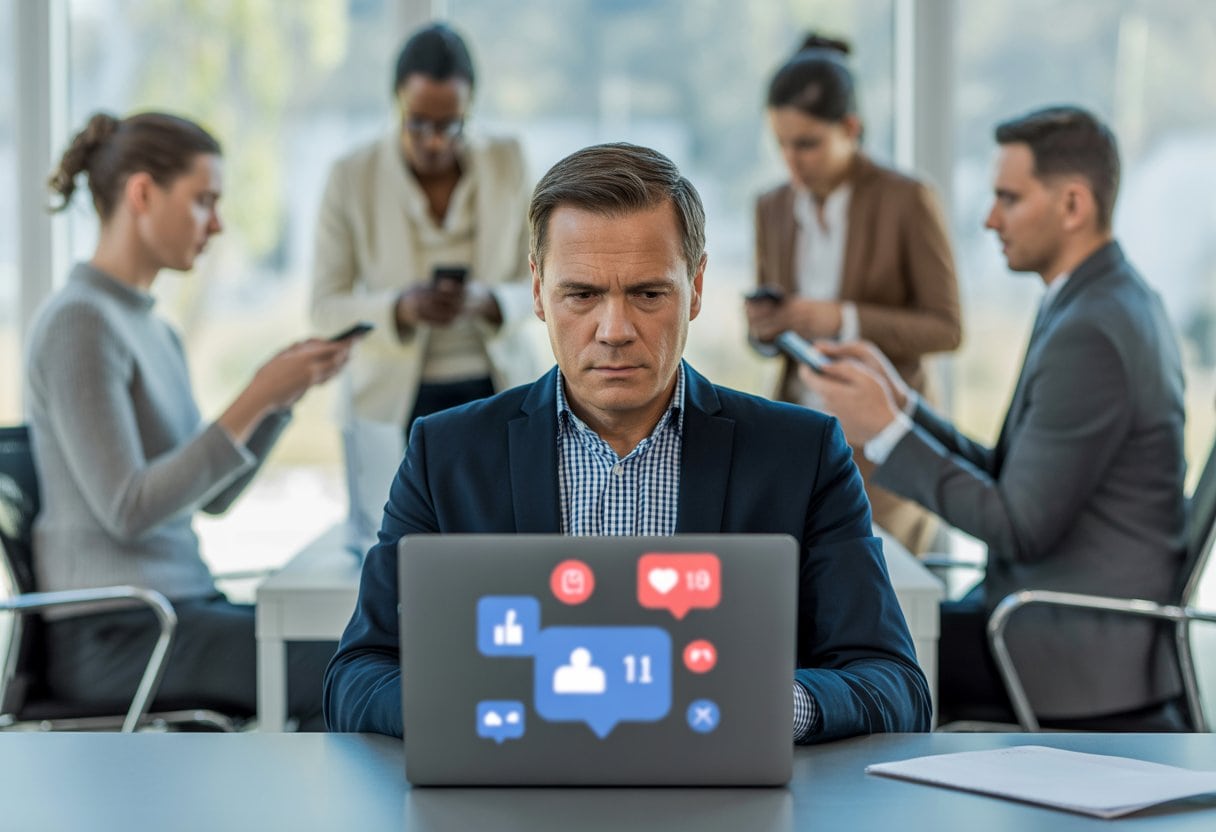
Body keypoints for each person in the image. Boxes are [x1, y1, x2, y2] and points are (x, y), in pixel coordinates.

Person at [324, 142, 931, 742]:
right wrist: (477, 709)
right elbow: (358, 675)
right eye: (582, 295)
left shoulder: (802, 454)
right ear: (538, 291)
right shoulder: (445, 453)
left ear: (695, 286)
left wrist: (771, 705)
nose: (613, 331)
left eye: (647, 294)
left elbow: (895, 685)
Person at [804, 106, 1187, 725]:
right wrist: (904, 408)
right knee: (868, 640)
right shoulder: (1097, 299)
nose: (989, 218)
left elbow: (1018, 526)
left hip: (1069, 647)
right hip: (1053, 618)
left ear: (1072, 205)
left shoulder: (1092, 328)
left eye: (1008, 198)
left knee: (861, 662)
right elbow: (1015, 475)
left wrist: (888, 433)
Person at [26, 111, 354, 728]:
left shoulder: (154, 329)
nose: (217, 223)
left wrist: (280, 399)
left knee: (363, 652)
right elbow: (128, 508)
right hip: (118, 632)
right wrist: (253, 395)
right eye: (203, 201)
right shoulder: (80, 322)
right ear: (142, 193)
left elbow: (213, 498)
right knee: (347, 672)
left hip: (178, 611)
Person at [309, 22, 540, 550]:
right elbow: (324, 307)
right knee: (398, 558)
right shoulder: (352, 175)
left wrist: (490, 301)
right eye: (418, 124)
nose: (435, 141)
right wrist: (400, 308)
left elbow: (549, 280)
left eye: (451, 125)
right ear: (396, 104)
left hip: (495, 385)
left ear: (471, 109)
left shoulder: (508, 161)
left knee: (503, 551)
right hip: (393, 399)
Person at [746, 33, 962, 555]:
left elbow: (947, 328)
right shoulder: (772, 207)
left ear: (851, 129)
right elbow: (769, 340)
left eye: (808, 144)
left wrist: (839, 318)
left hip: (885, 445)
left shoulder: (908, 200)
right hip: (799, 431)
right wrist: (766, 329)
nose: (792, 161)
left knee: (876, 587)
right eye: (782, 144)